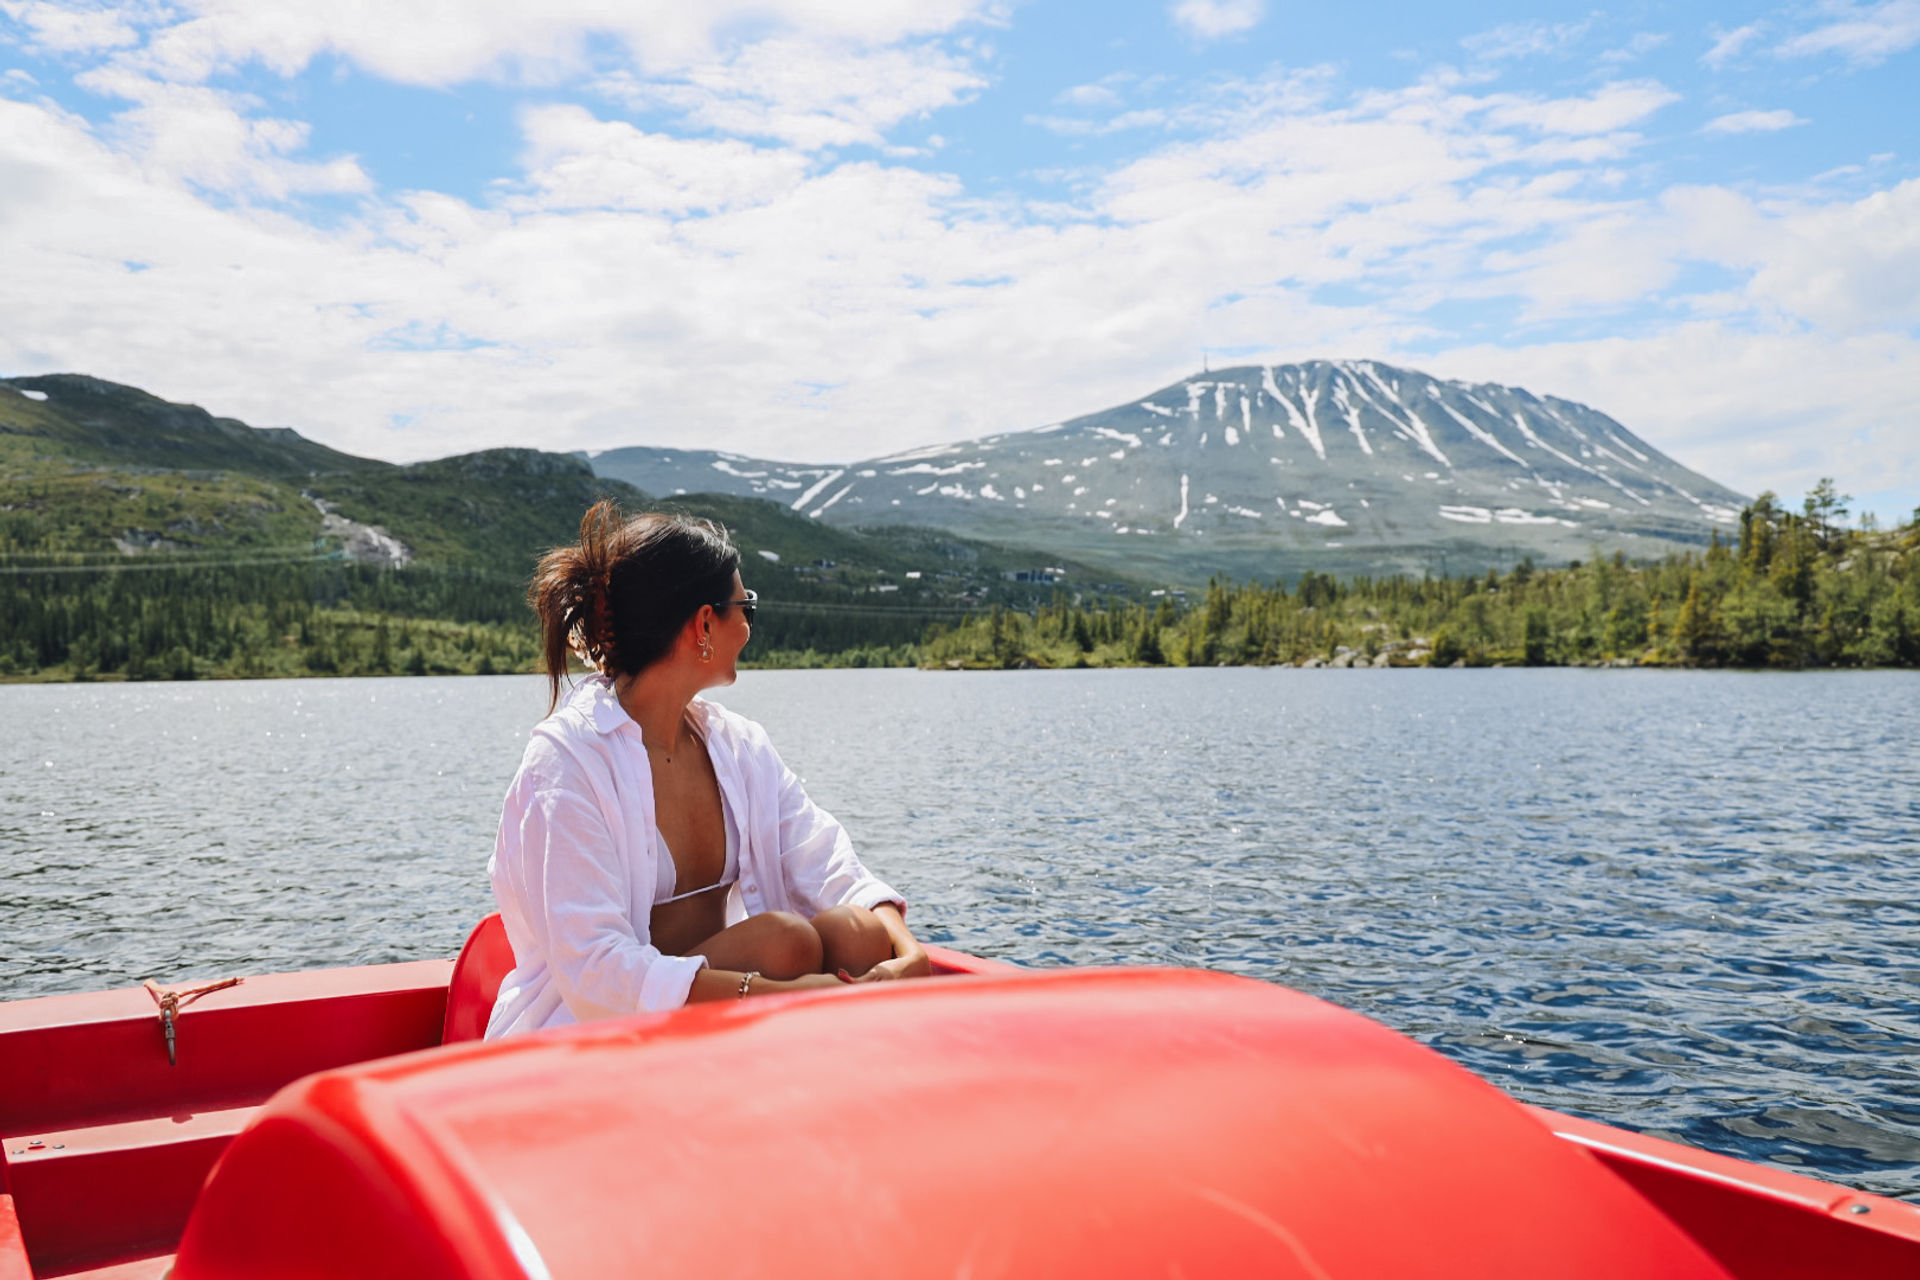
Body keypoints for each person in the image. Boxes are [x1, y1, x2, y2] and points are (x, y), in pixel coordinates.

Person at [485, 501, 930, 1038]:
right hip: (585, 1035)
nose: (747, 625)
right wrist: (774, 997)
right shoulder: (566, 762)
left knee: (858, 932)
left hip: (709, 1029)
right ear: (703, 623)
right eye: (746, 607)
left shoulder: (736, 744)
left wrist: (907, 952)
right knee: (782, 943)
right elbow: (595, 971)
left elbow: (824, 859)